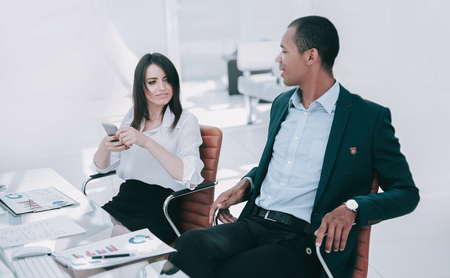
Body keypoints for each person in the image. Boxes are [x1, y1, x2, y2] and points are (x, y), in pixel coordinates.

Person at [169, 16, 420, 278]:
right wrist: (246, 185)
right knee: (189, 245)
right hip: (256, 221)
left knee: (232, 271)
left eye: (284, 51)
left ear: (311, 56)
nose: (278, 59)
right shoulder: (281, 104)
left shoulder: (368, 118)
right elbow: (281, 165)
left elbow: (406, 193)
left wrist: (353, 208)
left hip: (303, 241)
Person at [93, 52, 204, 245]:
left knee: (106, 247)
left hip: (158, 210)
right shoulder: (133, 117)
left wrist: (146, 141)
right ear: (141, 87)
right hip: (123, 201)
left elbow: (189, 176)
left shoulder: (186, 122)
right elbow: (101, 168)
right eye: (152, 82)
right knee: (83, 237)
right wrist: (105, 146)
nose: (162, 87)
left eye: (167, 80)